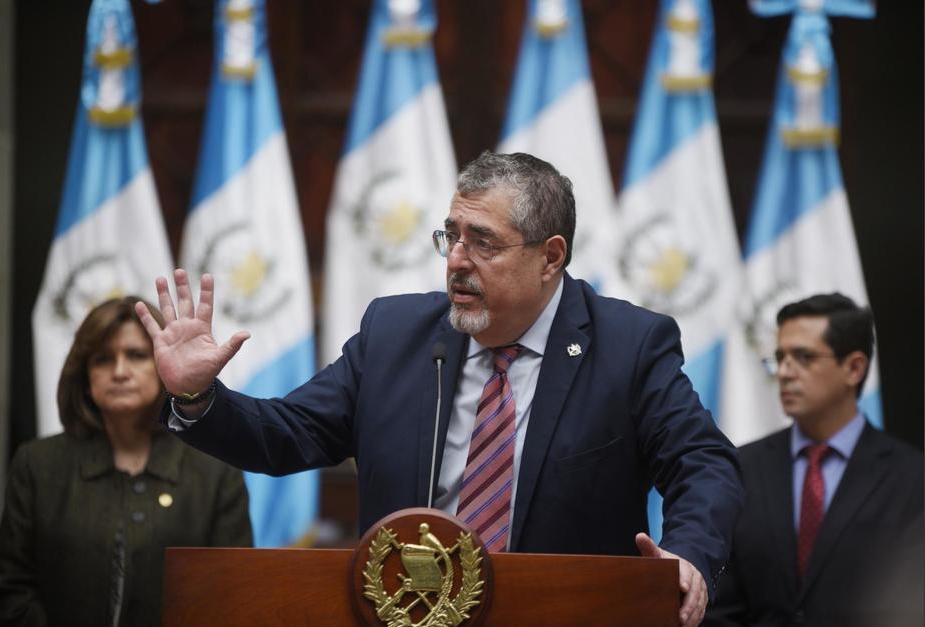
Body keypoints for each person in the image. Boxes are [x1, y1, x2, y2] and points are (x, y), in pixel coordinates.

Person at [138, 152, 743, 627]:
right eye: (450, 236)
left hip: (564, 614)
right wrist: (198, 397)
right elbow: (289, 434)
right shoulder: (395, 334)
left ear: (551, 257)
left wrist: (688, 555)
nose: (456, 260)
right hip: (406, 612)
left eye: (483, 242)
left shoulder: (628, 346)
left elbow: (703, 462)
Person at [0, 297, 252, 627]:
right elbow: (7, 591)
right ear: (84, 375)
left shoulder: (215, 471)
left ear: (164, 364)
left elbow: (232, 597)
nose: (120, 372)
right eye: (103, 359)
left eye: (136, 355)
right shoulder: (38, 465)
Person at [705, 293, 924, 627]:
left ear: (854, 368)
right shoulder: (743, 467)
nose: (784, 372)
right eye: (780, 357)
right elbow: (719, 605)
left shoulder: (910, 478)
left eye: (804, 357)